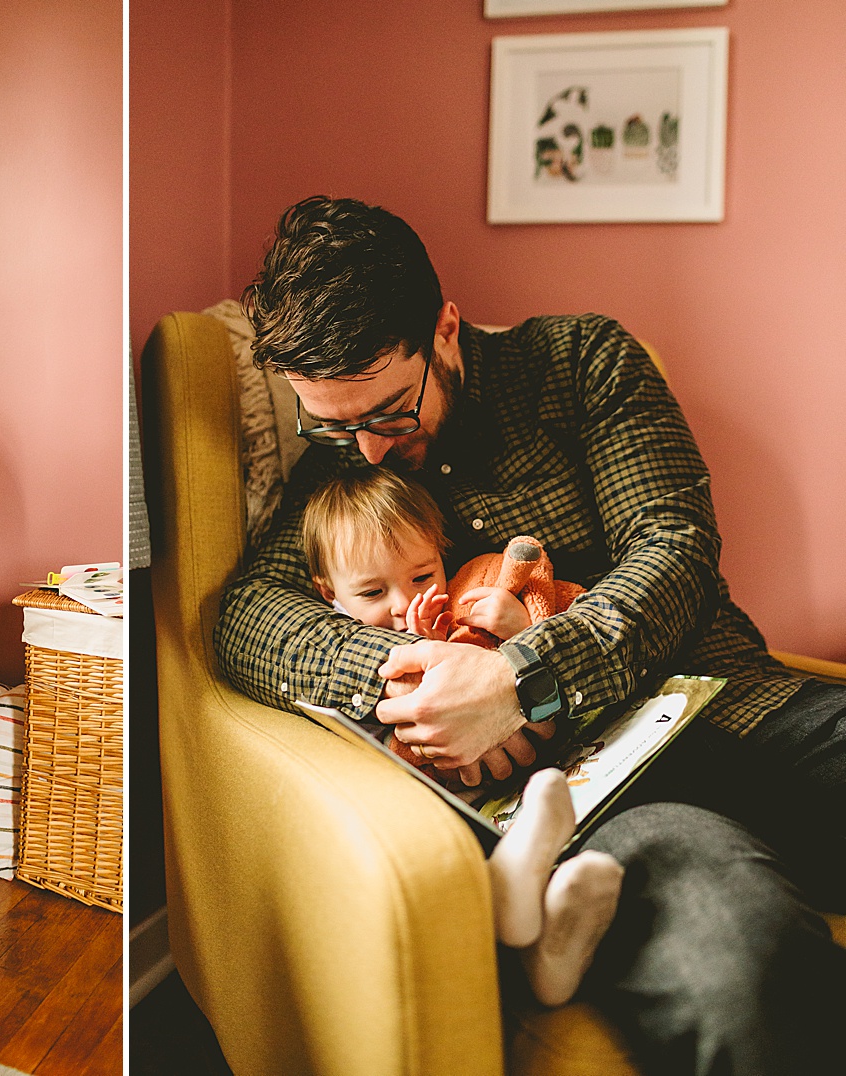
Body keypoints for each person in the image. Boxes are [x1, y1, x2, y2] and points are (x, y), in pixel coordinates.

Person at [216, 196, 846, 1072]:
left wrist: (520, 679)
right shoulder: (342, 459)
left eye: (391, 413)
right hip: (605, 803)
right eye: (330, 422)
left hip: (741, 708)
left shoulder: (581, 362)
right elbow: (252, 613)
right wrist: (417, 674)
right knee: (747, 968)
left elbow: (675, 549)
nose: (362, 450)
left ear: (443, 329)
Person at [301, 468, 625, 1006]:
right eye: (373, 591)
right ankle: (515, 898)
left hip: (508, 778)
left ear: (441, 555)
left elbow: (529, 646)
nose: (403, 602)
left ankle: (547, 940)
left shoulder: (464, 600)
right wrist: (414, 650)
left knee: (544, 790)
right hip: (421, 796)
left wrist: (518, 626)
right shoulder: (332, 638)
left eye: (422, 577)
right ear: (328, 592)